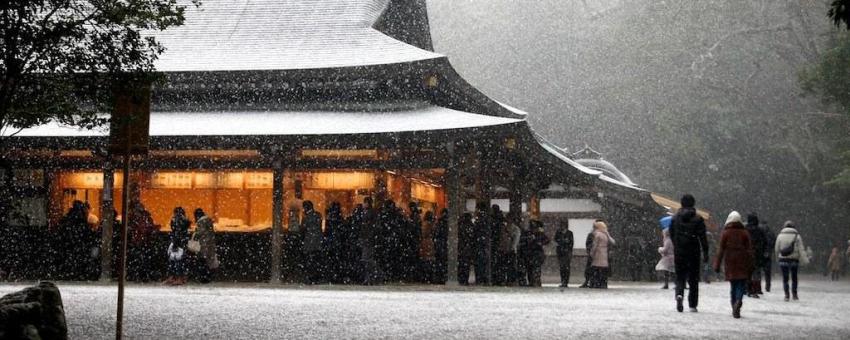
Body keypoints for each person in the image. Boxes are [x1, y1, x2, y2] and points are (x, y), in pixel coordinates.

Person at [669, 194, 709, 313]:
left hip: (680, 252)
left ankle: (679, 294)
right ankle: (692, 304)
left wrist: (677, 244)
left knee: (680, 276)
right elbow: (703, 237)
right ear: (693, 204)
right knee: (693, 279)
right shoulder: (698, 219)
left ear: (681, 203)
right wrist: (705, 252)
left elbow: (671, 233)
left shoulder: (675, 218)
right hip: (693, 252)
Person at [713, 211, 754, 319]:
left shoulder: (726, 233)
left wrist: (717, 264)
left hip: (730, 261)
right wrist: (751, 264)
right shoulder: (744, 233)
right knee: (741, 284)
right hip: (742, 260)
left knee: (733, 285)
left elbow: (721, 250)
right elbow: (749, 250)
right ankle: (739, 300)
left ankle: (734, 305)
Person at [774, 221, 809, 301]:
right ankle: (794, 294)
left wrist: (777, 258)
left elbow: (776, 249)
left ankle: (786, 295)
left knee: (785, 278)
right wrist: (805, 260)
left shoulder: (780, 236)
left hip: (783, 259)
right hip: (794, 259)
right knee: (794, 277)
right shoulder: (797, 236)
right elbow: (801, 249)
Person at [127, 202, 157, 282]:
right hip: (144, 241)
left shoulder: (134, 218)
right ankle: (143, 276)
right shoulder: (146, 217)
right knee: (143, 260)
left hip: (139, 241)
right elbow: (149, 228)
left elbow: (134, 229)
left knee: (137, 259)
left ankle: (137, 276)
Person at [166, 207, 190, 286]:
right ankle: (181, 278)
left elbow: (176, 232)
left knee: (176, 261)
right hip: (183, 242)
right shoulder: (185, 220)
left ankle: (176, 278)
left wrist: (175, 243)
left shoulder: (176, 220)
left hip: (178, 243)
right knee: (181, 261)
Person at [192, 208, 218, 283]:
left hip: (203, 245)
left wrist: (195, 234)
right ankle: (208, 277)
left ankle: (204, 278)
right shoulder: (208, 220)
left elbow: (200, 233)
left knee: (202, 261)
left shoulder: (201, 221)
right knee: (209, 261)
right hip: (210, 244)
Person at [588, 220, 615, 289]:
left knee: (596, 269)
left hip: (598, 253)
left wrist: (592, 253)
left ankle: (596, 283)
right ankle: (603, 283)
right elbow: (613, 242)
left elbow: (595, 245)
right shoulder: (605, 234)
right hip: (604, 253)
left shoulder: (597, 234)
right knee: (603, 269)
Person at [302, 200, 324, 284]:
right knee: (316, 260)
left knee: (309, 261)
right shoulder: (318, 215)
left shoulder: (306, 217)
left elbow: (302, 228)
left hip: (309, 242)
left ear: (306, 208)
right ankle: (316, 278)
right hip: (317, 241)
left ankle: (310, 278)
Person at [745, 213, 766, 298]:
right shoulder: (760, 230)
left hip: (747, 254)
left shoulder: (745, 229)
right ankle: (756, 289)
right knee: (756, 272)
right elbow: (765, 242)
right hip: (757, 254)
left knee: (747, 272)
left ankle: (748, 289)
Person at [497, 211, 522, 286]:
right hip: (504, 250)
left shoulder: (515, 229)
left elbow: (515, 240)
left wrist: (512, 248)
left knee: (510, 267)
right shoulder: (504, 228)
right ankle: (505, 280)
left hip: (510, 251)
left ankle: (510, 280)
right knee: (505, 266)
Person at [526, 220, 550, 287]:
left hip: (537, 253)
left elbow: (547, 240)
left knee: (536, 268)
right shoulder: (529, 233)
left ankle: (536, 281)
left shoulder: (540, 234)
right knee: (530, 268)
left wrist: (539, 242)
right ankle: (531, 281)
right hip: (530, 253)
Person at [472, 203, 491, 285]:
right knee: (483, 263)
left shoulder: (480, 221)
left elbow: (477, 232)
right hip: (483, 245)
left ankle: (481, 279)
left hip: (480, 245)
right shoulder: (486, 220)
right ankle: (483, 279)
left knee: (480, 263)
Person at [554, 220, 574, 288]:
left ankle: (566, 281)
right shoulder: (558, 232)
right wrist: (562, 241)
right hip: (560, 252)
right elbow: (556, 240)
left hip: (567, 252)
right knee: (562, 267)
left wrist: (566, 243)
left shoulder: (570, 233)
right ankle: (563, 281)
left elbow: (571, 243)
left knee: (566, 267)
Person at [457, 213, 475, 285]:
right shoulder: (471, 226)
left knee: (462, 264)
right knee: (466, 264)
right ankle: (464, 279)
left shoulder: (461, 226)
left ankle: (461, 278)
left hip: (462, 247)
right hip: (467, 247)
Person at [489, 205, 506, 285]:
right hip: (499, 243)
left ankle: (495, 279)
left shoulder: (494, 220)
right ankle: (499, 279)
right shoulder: (501, 220)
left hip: (495, 243)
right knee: (499, 263)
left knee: (495, 262)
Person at [433, 209, 449, 284]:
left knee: (439, 262)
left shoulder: (439, 222)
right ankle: (443, 277)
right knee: (444, 262)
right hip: (445, 244)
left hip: (440, 244)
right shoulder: (448, 223)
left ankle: (439, 278)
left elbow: (435, 234)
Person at [419, 211, 436, 283]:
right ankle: (428, 277)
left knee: (425, 259)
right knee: (429, 260)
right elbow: (429, 233)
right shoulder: (430, 224)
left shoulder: (424, 224)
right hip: (429, 242)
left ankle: (425, 276)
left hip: (424, 243)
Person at [762, 223, 776, 292]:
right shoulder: (771, 233)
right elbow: (774, 242)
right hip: (768, 253)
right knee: (767, 272)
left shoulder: (760, 231)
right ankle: (768, 286)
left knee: (757, 271)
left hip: (760, 254)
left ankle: (756, 286)